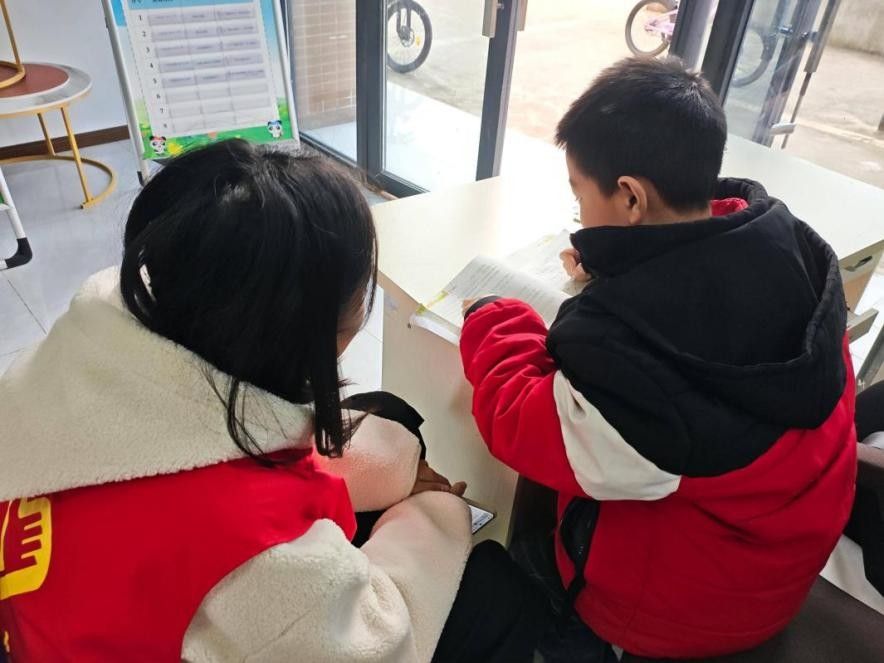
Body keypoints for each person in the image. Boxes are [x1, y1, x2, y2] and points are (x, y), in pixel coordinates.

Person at [0, 140, 547, 662]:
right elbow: (377, 644)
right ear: (304, 326)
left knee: (388, 412)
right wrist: (434, 515)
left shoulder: (85, 350)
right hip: (230, 608)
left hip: (93, 608)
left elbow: (186, 441)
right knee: (496, 591)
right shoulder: (254, 555)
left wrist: (395, 468)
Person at [460, 57, 857, 661]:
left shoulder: (638, 379)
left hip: (681, 618)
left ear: (630, 197)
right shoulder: (789, 256)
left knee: (517, 563)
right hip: (776, 570)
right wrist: (620, 261)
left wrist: (493, 315)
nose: (578, 214)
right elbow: (702, 296)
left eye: (579, 194)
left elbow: (517, 421)